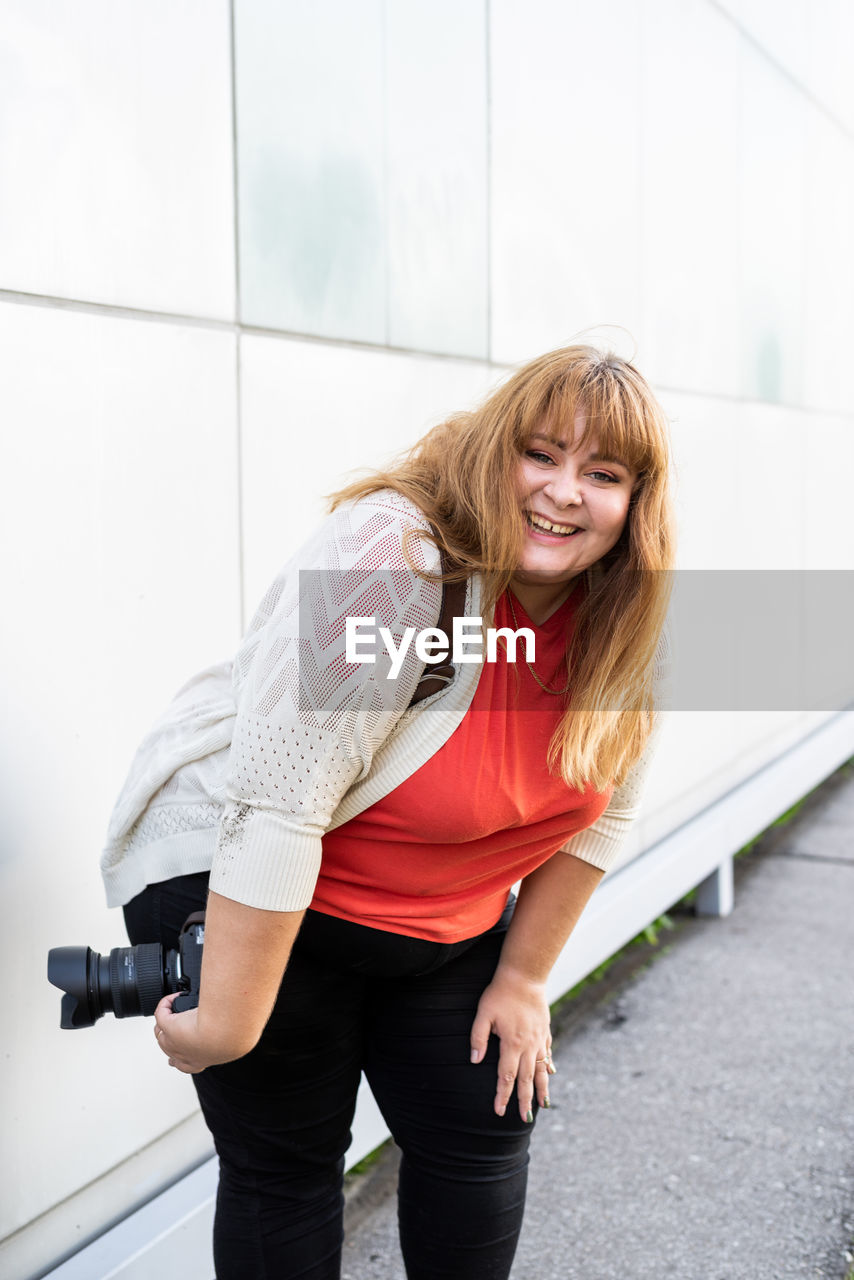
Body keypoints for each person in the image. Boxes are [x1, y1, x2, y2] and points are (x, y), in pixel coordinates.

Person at [103, 344, 675, 1279]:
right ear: (499, 453)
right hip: (257, 883)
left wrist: (523, 980)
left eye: (602, 473)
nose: (566, 493)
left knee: (482, 1131)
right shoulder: (394, 563)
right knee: (285, 1168)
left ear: (635, 504)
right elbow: (277, 805)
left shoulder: (628, 621)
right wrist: (229, 1025)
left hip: (434, 919)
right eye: (542, 455)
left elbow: (602, 816)